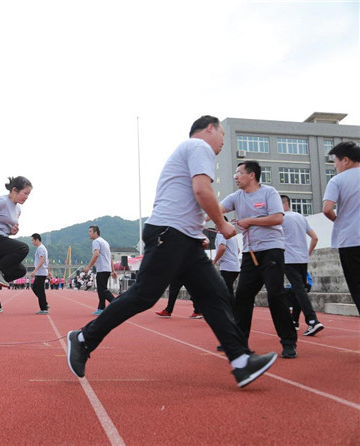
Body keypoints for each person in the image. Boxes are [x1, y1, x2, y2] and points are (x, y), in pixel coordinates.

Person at [67, 116, 277, 388]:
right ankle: (83, 339)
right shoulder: (199, 147)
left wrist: (196, 233)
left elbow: (188, 199)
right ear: (210, 128)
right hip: (169, 234)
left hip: (184, 239)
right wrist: (222, 224)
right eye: (223, 135)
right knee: (144, 295)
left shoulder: (189, 151)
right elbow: (202, 191)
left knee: (215, 294)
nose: (224, 142)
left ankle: (240, 360)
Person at [219, 161, 298, 359]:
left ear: (252, 175)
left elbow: (278, 218)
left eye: (239, 173)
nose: (236, 176)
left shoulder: (269, 192)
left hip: (272, 251)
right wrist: (193, 220)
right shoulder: (236, 197)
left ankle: (288, 341)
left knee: (275, 295)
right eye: (235, 173)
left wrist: (250, 221)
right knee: (243, 296)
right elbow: (217, 209)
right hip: (250, 253)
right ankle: (238, 342)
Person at [323, 141, 360, 314]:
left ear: (345, 160)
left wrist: (339, 220)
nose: (335, 165)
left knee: (357, 285)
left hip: (350, 239)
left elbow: (327, 209)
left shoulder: (337, 180)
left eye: (335, 161)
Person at [281, 194, 323, 336]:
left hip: (289, 259)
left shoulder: (281, 219)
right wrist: (308, 253)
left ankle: (312, 320)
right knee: (298, 289)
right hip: (302, 259)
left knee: (299, 289)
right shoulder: (300, 217)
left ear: (283, 204)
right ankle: (295, 321)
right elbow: (315, 238)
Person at [83, 226, 116, 316]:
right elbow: (110, 257)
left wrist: (88, 267)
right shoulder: (105, 242)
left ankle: (116, 304)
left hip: (102, 269)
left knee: (103, 290)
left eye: (90, 231)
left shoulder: (96, 242)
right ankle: (101, 308)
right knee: (101, 290)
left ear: (95, 232)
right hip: (106, 269)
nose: (89, 233)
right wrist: (113, 270)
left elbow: (96, 254)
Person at [212, 217, 241, 311]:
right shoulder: (232, 234)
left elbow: (222, 248)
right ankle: (232, 310)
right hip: (235, 266)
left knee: (226, 290)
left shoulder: (221, 233)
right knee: (228, 289)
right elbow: (238, 250)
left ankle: (231, 311)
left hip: (227, 266)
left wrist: (214, 261)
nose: (215, 225)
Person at [31, 233, 51, 315]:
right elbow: (47, 261)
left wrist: (35, 271)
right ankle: (44, 303)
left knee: (40, 290)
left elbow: (42, 260)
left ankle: (44, 308)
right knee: (35, 287)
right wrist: (48, 271)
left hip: (40, 272)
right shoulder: (43, 248)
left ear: (37, 240)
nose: (32, 242)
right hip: (42, 272)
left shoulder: (40, 248)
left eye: (32, 240)